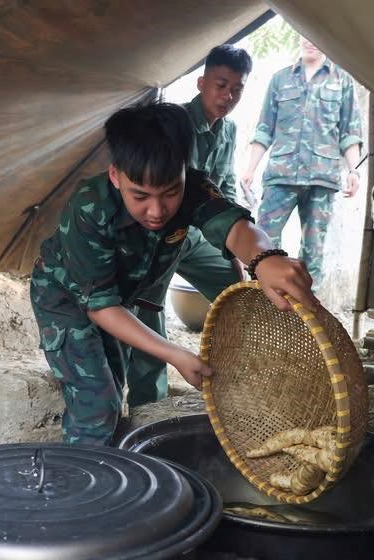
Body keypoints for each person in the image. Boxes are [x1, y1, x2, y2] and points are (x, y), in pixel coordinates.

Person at [30, 103, 316, 446]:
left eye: (170, 193)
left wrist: (266, 258)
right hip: (66, 299)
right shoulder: (89, 207)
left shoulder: (194, 187)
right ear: (115, 175)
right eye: (140, 196)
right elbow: (100, 306)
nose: (156, 211)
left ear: (184, 173)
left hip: (122, 298)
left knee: (114, 383)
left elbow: (234, 227)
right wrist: (175, 355)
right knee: (97, 404)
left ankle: (109, 469)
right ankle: (83, 486)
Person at [128, 44, 253, 406]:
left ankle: (235, 376)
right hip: (159, 233)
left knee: (238, 294)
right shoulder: (173, 123)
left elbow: (225, 190)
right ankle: (148, 404)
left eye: (237, 89)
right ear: (202, 83)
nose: (228, 95)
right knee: (149, 308)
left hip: (198, 235)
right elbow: (155, 192)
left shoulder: (228, 131)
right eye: (221, 84)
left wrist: (236, 247)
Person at [241, 36, 363, 290]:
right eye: (306, 35)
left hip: (323, 178)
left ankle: (305, 314)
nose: (311, 41)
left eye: (316, 36)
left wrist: (354, 171)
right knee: (263, 241)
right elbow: (264, 128)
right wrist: (250, 169)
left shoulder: (342, 81)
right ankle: (259, 301)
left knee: (313, 252)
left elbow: (349, 133)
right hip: (281, 176)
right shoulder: (280, 79)